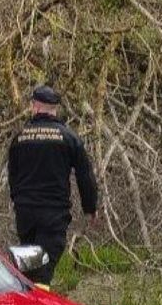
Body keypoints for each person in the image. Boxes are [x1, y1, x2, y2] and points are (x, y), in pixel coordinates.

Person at [7, 85, 98, 286]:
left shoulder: (20, 138)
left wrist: (18, 201)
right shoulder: (68, 137)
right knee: (44, 269)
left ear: (35, 107)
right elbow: (85, 175)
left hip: (26, 214)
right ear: (54, 109)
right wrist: (90, 208)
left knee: (31, 267)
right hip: (52, 214)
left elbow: (12, 176)